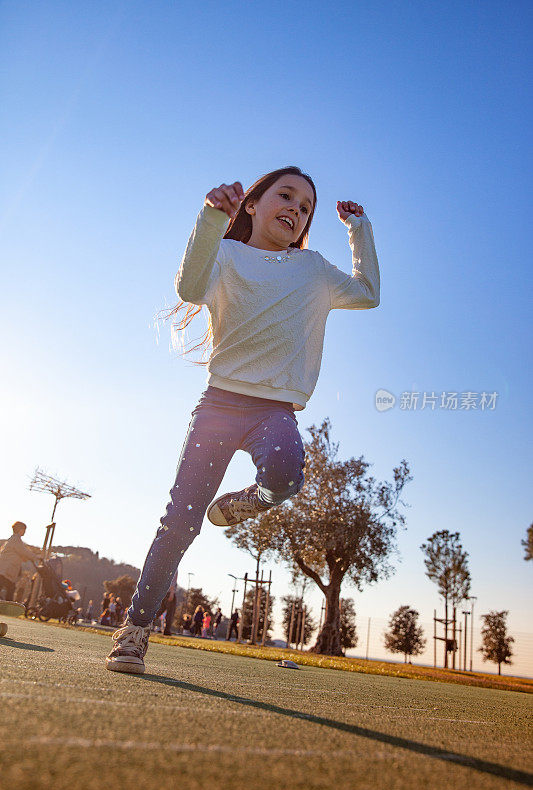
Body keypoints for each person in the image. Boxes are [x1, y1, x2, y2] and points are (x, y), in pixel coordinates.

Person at [106, 166, 380, 674]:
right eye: (287, 196)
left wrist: (358, 231)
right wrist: (211, 219)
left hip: (273, 410)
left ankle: (246, 502)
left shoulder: (315, 270)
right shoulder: (227, 255)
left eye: (305, 209)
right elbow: (190, 288)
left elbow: (368, 292)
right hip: (217, 406)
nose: (296, 210)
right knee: (180, 521)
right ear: (252, 204)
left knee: (285, 475)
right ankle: (135, 631)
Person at [0, 521, 36, 601]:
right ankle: (8, 608)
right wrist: (36, 557)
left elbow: (21, 554)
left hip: (5, 570)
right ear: (20, 530)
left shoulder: (13, 540)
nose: (25, 532)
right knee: (10, 589)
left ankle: (7, 607)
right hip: (6, 571)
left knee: (9, 588)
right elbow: (23, 551)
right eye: (24, 530)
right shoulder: (16, 540)